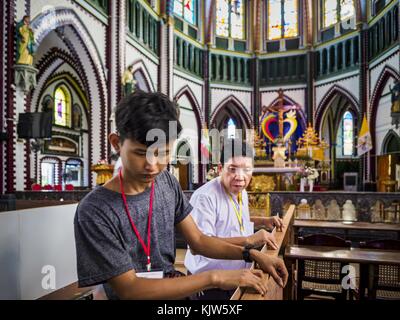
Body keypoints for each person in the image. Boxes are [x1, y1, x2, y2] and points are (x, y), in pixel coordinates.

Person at [74, 91, 288, 300]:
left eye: (163, 153)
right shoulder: (95, 210)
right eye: (141, 153)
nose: (152, 165)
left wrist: (251, 254)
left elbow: (199, 240)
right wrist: (215, 277)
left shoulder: (166, 181)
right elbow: (129, 289)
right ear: (116, 143)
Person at [184, 138, 284, 299]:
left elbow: (232, 220)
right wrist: (249, 240)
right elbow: (201, 243)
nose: (240, 176)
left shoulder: (241, 191)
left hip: (238, 274)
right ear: (219, 169)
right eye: (232, 169)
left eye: (246, 169)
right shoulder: (205, 197)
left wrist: (263, 221)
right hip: (210, 282)